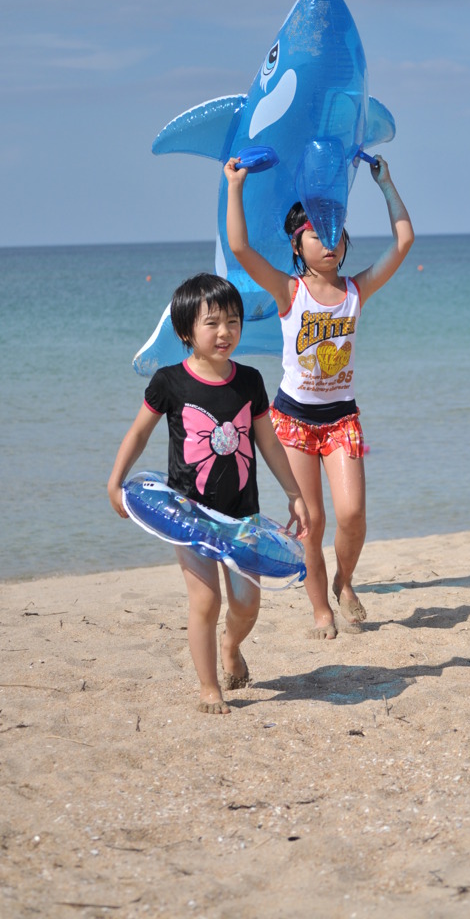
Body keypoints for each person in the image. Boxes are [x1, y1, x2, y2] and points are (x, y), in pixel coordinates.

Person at [224, 154, 414, 638]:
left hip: (342, 420)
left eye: (334, 233)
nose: (328, 243)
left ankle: (344, 583)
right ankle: (321, 611)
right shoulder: (290, 291)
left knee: (352, 515)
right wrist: (235, 186)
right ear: (297, 243)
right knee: (310, 520)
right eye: (316, 235)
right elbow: (241, 248)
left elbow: (404, 241)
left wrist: (386, 184)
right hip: (292, 422)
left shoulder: (356, 291)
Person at [108, 273, 309, 714]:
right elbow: (139, 432)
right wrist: (116, 479)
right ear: (186, 332)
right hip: (188, 513)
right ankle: (208, 688)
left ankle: (231, 646)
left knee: (246, 604)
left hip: (241, 517)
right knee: (206, 599)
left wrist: (294, 492)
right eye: (212, 323)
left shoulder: (250, 381)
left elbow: (269, 443)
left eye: (233, 322)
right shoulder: (169, 382)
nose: (225, 332)